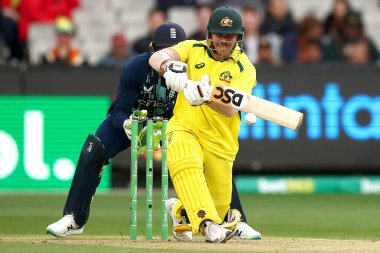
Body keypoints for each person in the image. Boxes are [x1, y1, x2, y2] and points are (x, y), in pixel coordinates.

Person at [46, 22, 259, 241]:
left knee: (214, 155)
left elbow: (219, 104)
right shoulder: (136, 67)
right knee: (94, 148)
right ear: (152, 48)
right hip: (138, 120)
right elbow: (118, 109)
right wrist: (127, 124)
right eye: (163, 49)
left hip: (178, 124)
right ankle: (74, 218)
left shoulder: (196, 64)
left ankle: (234, 219)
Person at [149, 7, 261, 243]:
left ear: (238, 37)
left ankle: (180, 211)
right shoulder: (192, 48)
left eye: (229, 36)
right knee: (185, 160)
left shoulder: (244, 68)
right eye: (219, 35)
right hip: (185, 126)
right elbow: (156, 57)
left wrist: (206, 98)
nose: (223, 41)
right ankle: (207, 225)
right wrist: (168, 67)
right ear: (209, 33)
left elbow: (231, 109)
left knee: (220, 209)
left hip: (220, 142)